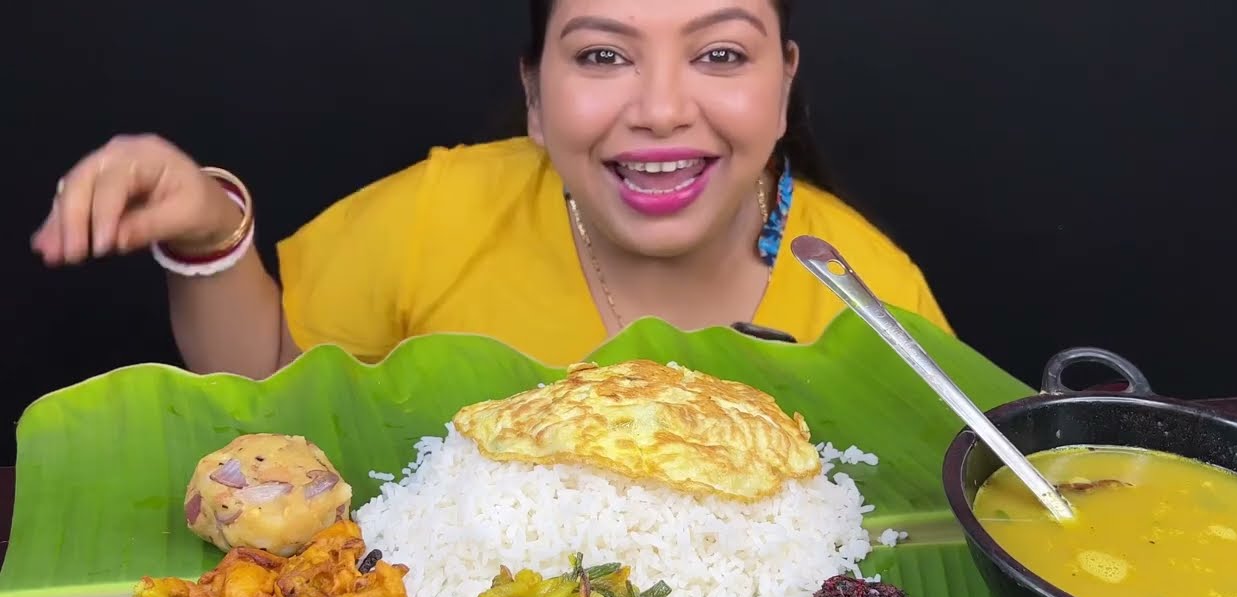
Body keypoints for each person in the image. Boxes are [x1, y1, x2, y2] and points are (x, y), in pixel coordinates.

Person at [30, 0, 952, 380]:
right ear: (534, 98)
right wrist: (208, 233)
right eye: (602, 55)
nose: (663, 108)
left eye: (719, 54)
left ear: (784, 86)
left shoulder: (878, 295)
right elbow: (261, 391)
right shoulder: (438, 214)